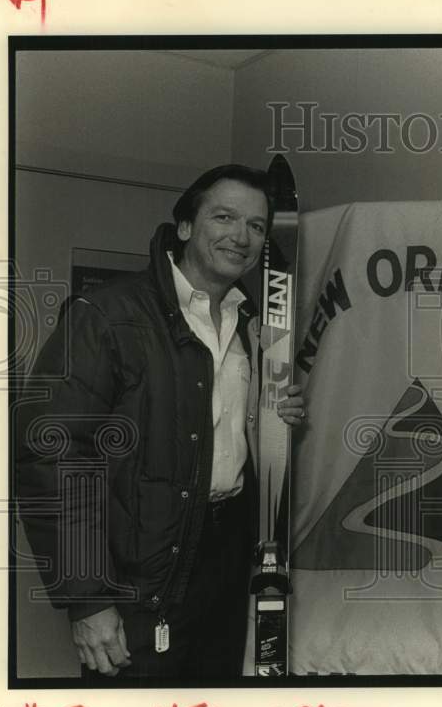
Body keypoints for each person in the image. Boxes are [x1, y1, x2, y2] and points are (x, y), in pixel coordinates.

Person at [16, 164, 305, 680]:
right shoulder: (107, 315)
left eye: (256, 226)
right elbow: (53, 452)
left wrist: (273, 422)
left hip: (225, 568)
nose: (241, 236)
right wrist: (86, 600)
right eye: (224, 217)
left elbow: (217, 439)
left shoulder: (252, 326)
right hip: (141, 581)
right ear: (187, 226)